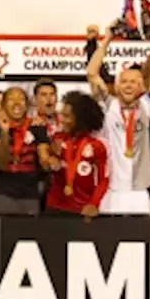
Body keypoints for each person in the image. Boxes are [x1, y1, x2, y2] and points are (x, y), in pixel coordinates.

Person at [85, 26, 150, 214]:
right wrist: (107, 39)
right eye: (124, 81)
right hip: (111, 189)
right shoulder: (109, 105)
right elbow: (92, 73)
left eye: (133, 82)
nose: (128, 86)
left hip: (138, 191)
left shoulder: (146, 106)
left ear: (141, 87)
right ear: (116, 86)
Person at [0, 87, 51, 215]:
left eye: (21, 99)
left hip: (30, 194)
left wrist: (50, 160)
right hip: (1, 193)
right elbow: (0, 164)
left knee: (29, 234)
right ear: (3, 105)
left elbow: (45, 160)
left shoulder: (38, 128)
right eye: (11, 99)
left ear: (27, 105)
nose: (16, 103)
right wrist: (4, 132)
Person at [44, 91, 110, 219]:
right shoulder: (56, 139)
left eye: (67, 116)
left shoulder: (97, 146)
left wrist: (93, 204)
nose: (62, 120)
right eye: (62, 114)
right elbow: (46, 165)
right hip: (54, 207)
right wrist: (51, 158)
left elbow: (103, 180)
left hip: (82, 210)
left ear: (80, 118)